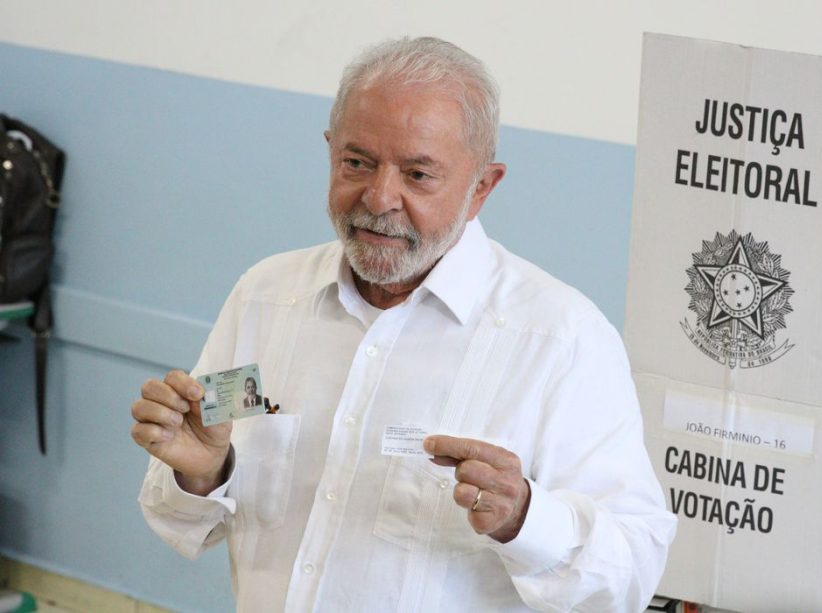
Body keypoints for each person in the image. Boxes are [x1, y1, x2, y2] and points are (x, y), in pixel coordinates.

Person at [131, 36, 675, 612]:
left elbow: (632, 572)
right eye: (357, 162)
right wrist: (202, 473)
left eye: (417, 175)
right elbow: (184, 515)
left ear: (480, 189)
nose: (379, 197)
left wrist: (523, 517)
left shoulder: (560, 340)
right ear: (330, 151)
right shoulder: (268, 299)